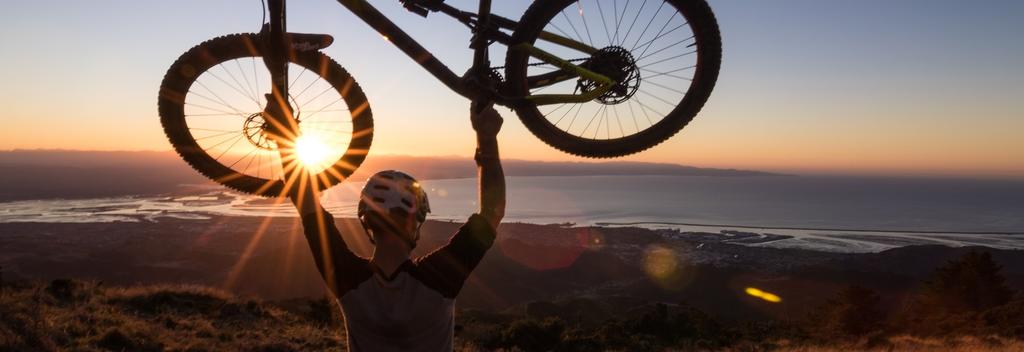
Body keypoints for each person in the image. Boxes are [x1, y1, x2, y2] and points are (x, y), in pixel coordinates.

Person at [287, 101, 505, 351]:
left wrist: (286, 136)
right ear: (416, 223)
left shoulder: (347, 278)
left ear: (365, 220)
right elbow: (493, 210)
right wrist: (486, 136)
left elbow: (305, 203)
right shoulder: (438, 279)